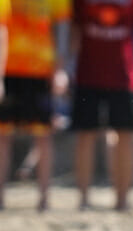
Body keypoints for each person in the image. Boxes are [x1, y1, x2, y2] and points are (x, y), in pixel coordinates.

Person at [71, 0, 133, 211]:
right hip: (87, 75)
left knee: (126, 135)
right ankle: (83, 199)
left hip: (125, 76)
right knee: (85, 135)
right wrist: (67, 67)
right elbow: (74, 30)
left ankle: (122, 199)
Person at [0, 0, 70, 211]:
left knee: (43, 135)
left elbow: (62, 30)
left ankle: (44, 198)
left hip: (42, 71)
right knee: (3, 137)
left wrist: (60, 70)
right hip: (10, 70)